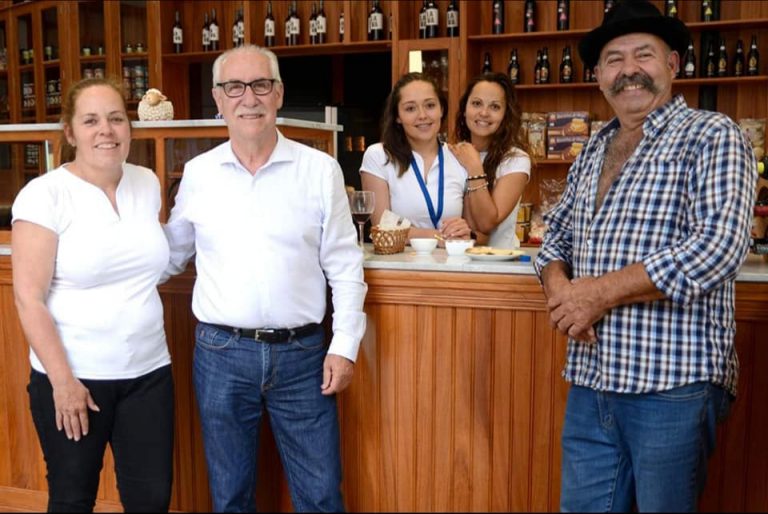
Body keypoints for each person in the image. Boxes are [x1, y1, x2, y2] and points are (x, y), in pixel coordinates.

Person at [534, 1, 757, 511]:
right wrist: (560, 287)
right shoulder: (593, 147)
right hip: (592, 380)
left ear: (673, 65)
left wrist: (596, 293)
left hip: (672, 383)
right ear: (597, 75)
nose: (629, 69)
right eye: (614, 59)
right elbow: (554, 241)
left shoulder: (712, 135)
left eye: (644, 54)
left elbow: (718, 248)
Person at [163, 45, 366, 512]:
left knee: (320, 496)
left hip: (305, 356)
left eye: (260, 85)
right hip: (221, 355)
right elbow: (171, 254)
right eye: (235, 87)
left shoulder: (319, 170)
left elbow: (344, 263)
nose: (248, 98)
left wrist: (345, 345)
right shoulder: (198, 174)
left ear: (278, 95)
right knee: (230, 496)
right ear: (218, 98)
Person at [11, 78, 174, 512]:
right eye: (91, 120)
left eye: (116, 118)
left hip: (149, 373)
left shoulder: (146, 182)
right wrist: (63, 383)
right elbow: (29, 298)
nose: (107, 130)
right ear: (70, 132)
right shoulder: (44, 195)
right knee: (73, 499)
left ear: (130, 127)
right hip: (75, 378)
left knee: (151, 500)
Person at [361, 72, 472, 240]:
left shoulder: (460, 157)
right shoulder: (379, 156)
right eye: (410, 108)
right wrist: (439, 237)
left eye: (430, 105)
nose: (422, 115)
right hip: (398, 265)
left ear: (441, 109)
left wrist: (464, 230)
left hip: (454, 263)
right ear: (398, 116)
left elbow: (474, 230)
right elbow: (381, 229)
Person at [449, 72, 531, 248]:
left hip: (499, 266)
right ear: (464, 109)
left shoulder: (516, 160)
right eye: (476, 103)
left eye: (494, 107)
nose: (484, 113)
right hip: (452, 262)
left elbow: (486, 223)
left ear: (505, 115)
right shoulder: (451, 154)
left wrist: (474, 166)